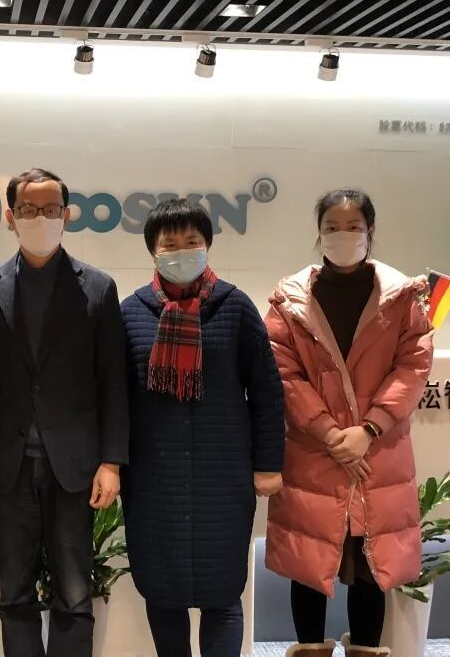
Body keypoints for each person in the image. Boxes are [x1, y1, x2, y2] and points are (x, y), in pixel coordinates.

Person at [264, 189, 434, 657]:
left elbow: (414, 366)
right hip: (314, 449)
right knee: (309, 561)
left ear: (370, 231)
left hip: (377, 452)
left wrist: (369, 429)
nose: (343, 235)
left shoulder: (401, 297)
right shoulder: (290, 300)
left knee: (370, 564)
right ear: (319, 232)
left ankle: (365, 650)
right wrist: (330, 432)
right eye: (332, 227)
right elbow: (282, 372)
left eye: (353, 226)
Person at [0, 168, 128, 657]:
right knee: (14, 595)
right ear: (11, 217)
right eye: (30, 210)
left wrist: (111, 461)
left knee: (75, 595)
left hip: (75, 467)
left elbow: (113, 381)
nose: (41, 218)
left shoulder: (97, 288)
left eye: (52, 209)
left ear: (68, 216)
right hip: (7, 467)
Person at [119, 199, 285, 657]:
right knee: (162, 595)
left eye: (191, 241)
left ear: (207, 245)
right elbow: (115, 399)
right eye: (170, 244)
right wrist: (112, 464)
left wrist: (269, 464)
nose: (181, 251)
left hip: (223, 478)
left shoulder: (235, 307)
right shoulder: (131, 313)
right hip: (154, 482)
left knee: (223, 594)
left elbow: (267, 391)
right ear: (153, 250)